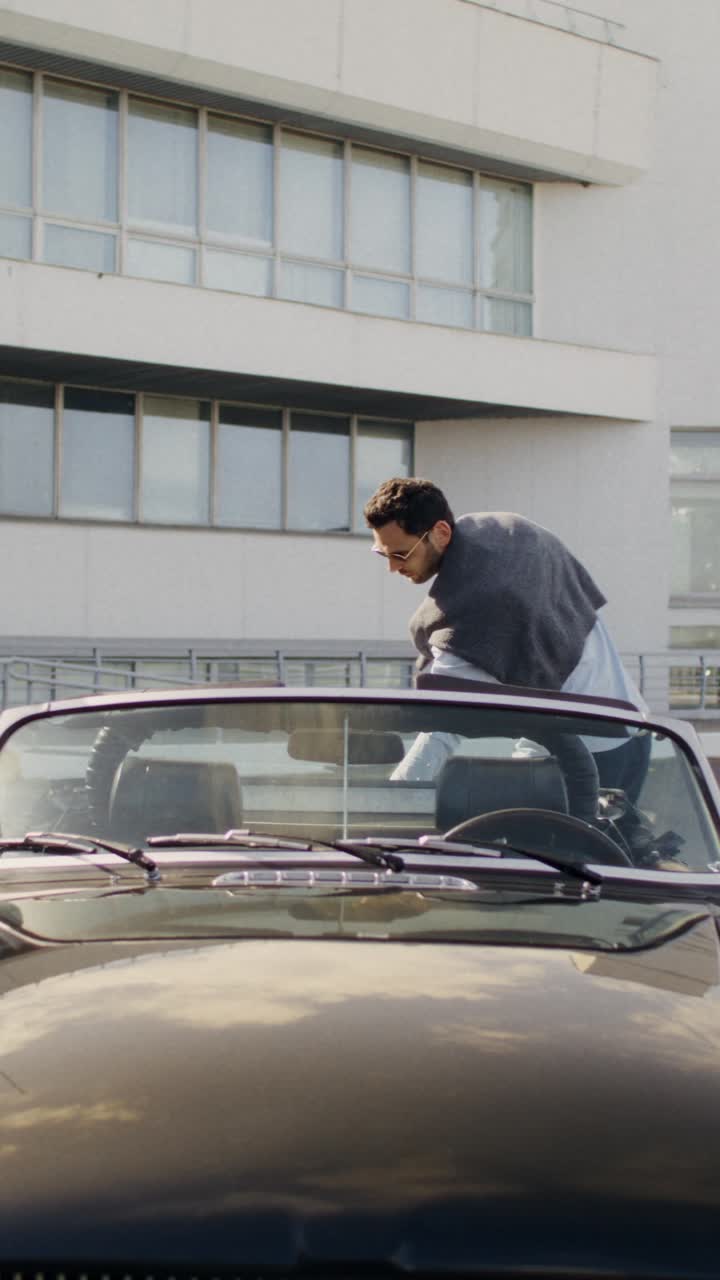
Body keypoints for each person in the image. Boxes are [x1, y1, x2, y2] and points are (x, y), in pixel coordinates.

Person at [363, 476, 650, 801]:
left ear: (441, 533)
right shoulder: (503, 532)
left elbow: (440, 729)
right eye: (382, 553)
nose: (391, 567)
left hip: (585, 757)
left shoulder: (477, 611)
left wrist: (388, 803)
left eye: (400, 554)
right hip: (630, 725)